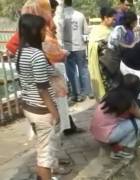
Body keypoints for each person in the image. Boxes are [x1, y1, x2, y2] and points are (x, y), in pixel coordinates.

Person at [6, 0, 81, 136]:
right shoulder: (35, 28)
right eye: (50, 10)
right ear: (42, 10)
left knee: (57, 103)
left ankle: (65, 127)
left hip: (46, 72)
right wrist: (43, 57)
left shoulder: (38, 26)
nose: (51, 14)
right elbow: (13, 46)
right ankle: (57, 130)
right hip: (43, 76)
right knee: (51, 107)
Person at [16, 14, 59, 180]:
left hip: (30, 107)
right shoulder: (36, 55)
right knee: (45, 155)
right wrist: (53, 111)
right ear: (34, 31)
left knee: (42, 147)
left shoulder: (21, 52)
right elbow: (42, 88)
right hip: (42, 110)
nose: (45, 32)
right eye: (43, 29)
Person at [63, 0, 92, 102]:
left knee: (72, 72)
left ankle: (78, 94)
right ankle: (88, 92)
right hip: (80, 46)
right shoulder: (80, 15)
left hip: (67, 48)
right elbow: (86, 31)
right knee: (83, 69)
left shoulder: (61, 17)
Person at [101, 11, 138, 89]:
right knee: (116, 86)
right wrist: (128, 46)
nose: (136, 23)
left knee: (120, 85)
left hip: (118, 62)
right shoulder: (120, 28)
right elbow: (113, 41)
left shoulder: (129, 31)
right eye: (136, 21)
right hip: (112, 62)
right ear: (132, 21)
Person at [88, 7, 116, 101]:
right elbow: (94, 46)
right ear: (105, 18)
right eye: (113, 19)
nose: (114, 21)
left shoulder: (111, 30)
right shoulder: (97, 31)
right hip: (103, 67)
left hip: (112, 66)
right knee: (106, 90)